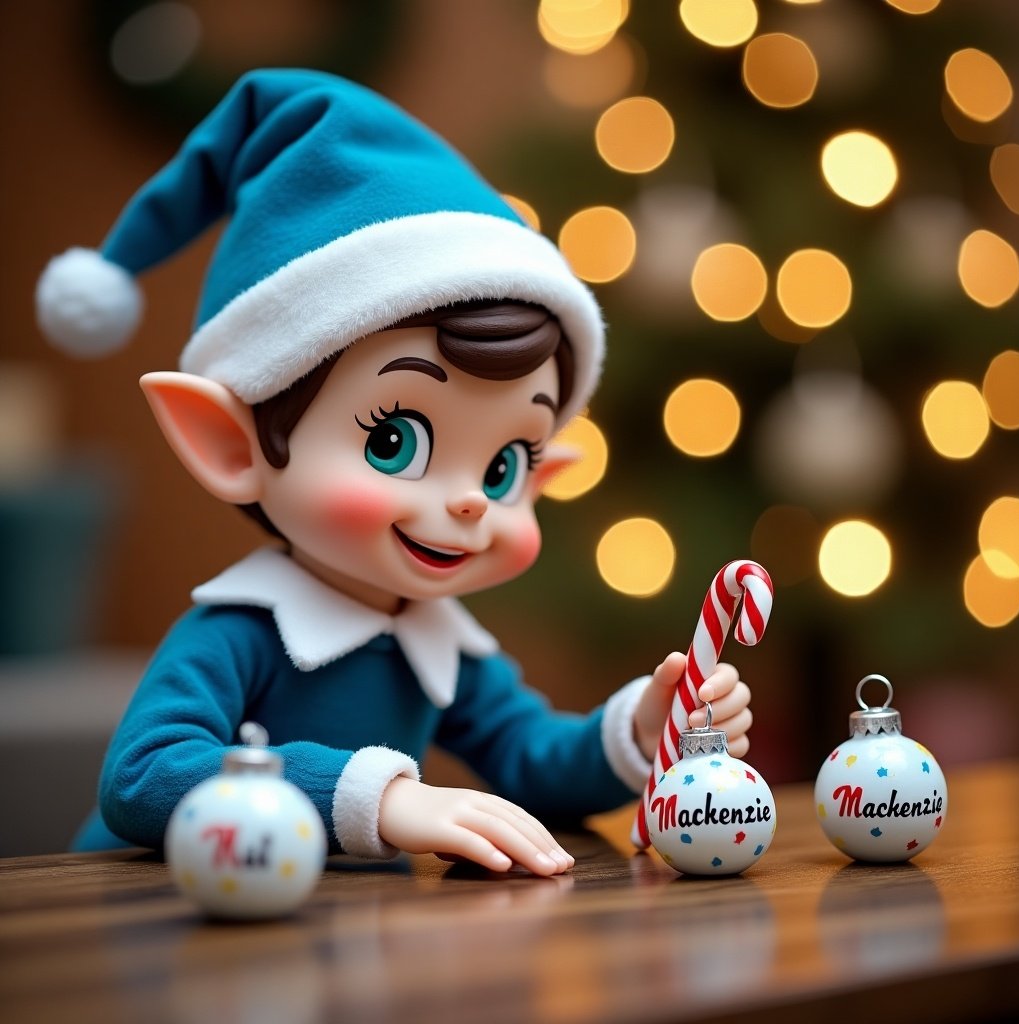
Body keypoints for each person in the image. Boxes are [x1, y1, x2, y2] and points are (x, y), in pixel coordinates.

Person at [37, 69, 752, 875]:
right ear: (229, 444)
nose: (467, 503)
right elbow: (142, 778)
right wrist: (379, 798)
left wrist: (638, 730)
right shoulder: (243, 632)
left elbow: (530, 758)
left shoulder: (435, 639)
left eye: (504, 465)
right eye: (395, 442)